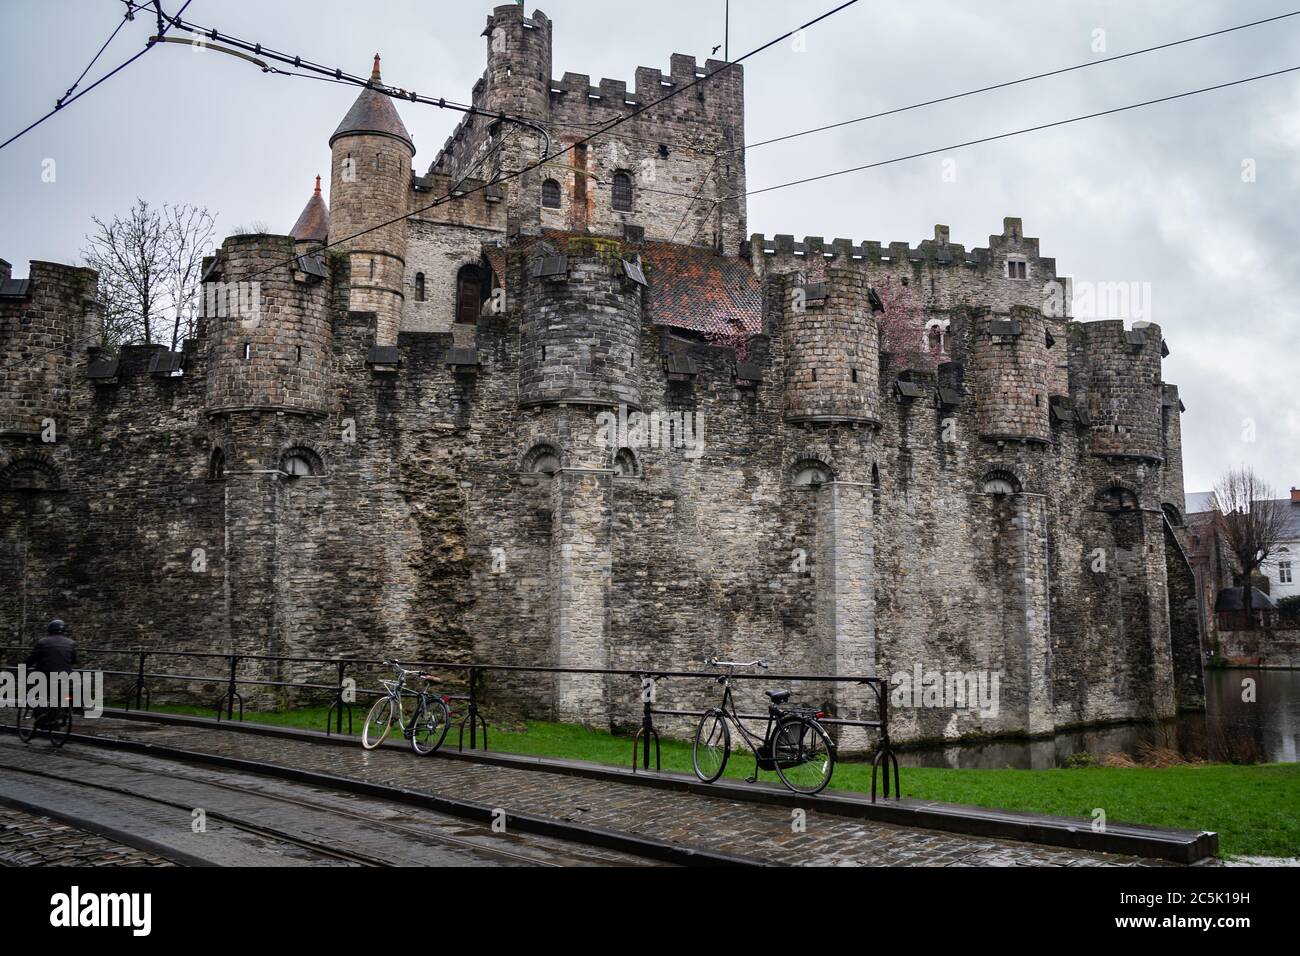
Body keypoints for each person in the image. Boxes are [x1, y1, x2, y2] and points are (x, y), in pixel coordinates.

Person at [25, 619, 77, 727]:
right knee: (62, 695)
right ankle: (62, 715)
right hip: (66, 678)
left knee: (37, 693)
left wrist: (24, 666)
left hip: (46, 677)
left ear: (49, 630)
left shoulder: (43, 642)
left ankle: (41, 717)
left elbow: (32, 658)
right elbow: (74, 661)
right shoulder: (71, 643)